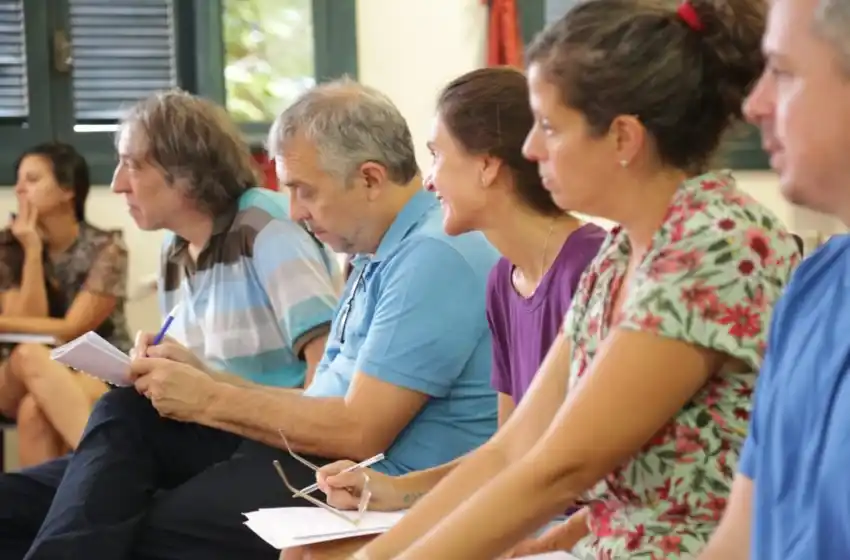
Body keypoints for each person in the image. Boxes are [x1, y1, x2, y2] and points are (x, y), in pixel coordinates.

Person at [306, 1, 804, 558]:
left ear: (622, 138)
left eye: (548, 126)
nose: (530, 149)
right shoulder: (623, 250)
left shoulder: (715, 243)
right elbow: (513, 448)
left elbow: (559, 468)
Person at [1, 80, 500, 560]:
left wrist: (211, 398)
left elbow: (358, 431)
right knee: (124, 411)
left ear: (369, 178)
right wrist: (204, 380)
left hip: (355, 476)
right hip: (314, 454)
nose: (296, 210)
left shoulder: (431, 254)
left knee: (135, 524)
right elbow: (323, 399)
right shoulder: (377, 252)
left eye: (304, 191)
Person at [281, 66, 607, 560]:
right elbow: (505, 451)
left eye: (437, 156)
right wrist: (395, 490)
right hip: (533, 511)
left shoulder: (588, 268)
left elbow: (566, 472)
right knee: (305, 553)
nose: (428, 181)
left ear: (488, 166)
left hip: (574, 526)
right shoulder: (504, 279)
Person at [0, 90, 342, 560]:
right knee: (13, 504)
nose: (118, 184)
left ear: (185, 171)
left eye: (131, 165)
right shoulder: (174, 250)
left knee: (122, 427)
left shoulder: (265, 226)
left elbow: (327, 383)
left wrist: (205, 390)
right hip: (198, 432)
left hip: (264, 440)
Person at [700, 0, 850, 558]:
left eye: (783, 72)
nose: (755, 103)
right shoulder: (812, 288)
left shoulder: (715, 242)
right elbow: (740, 539)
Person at [0, 142, 130, 467]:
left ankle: (49, 514)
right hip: (13, 377)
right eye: (19, 181)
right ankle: (107, 467)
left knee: (35, 411)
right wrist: (30, 251)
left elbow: (73, 329)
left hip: (92, 366)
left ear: (67, 190)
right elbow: (26, 329)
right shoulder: (8, 245)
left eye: (32, 179)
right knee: (29, 354)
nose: (19, 189)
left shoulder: (106, 248)